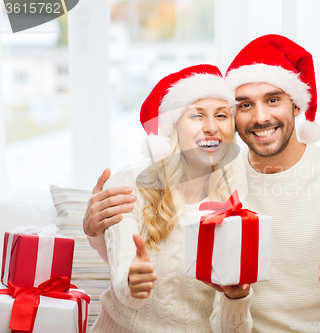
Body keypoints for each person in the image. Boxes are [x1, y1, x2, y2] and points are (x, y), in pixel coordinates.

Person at [85, 35, 320, 333]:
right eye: (245, 105)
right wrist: (96, 228)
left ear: (296, 106)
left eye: (273, 100)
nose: (260, 118)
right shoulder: (217, 174)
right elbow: (157, 241)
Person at [87, 64, 253, 333]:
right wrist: (133, 282)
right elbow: (123, 277)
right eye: (197, 116)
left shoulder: (237, 202)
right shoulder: (130, 184)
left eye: (221, 116)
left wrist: (236, 297)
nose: (211, 127)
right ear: (173, 127)